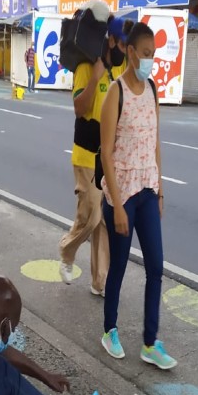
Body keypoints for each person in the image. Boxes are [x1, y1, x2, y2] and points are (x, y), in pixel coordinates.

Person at [99, 22, 177, 370]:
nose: (150, 61)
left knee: (156, 267)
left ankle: (150, 342)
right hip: (122, 195)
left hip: (147, 191)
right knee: (117, 267)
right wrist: (116, 205)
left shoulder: (153, 90)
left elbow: (155, 142)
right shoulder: (116, 92)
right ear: (130, 52)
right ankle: (109, 330)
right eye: (145, 54)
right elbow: (105, 153)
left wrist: (160, 188)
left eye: (153, 56)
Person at [58, 15, 130, 296]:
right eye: (123, 44)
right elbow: (79, 108)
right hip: (86, 154)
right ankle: (66, 250)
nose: (125, 49)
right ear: (110, 40)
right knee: (90, 216)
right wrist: (96, 78)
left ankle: (100, 282)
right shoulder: (88, 67)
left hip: (107, 158)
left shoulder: (120, 67)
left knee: (104, 223)